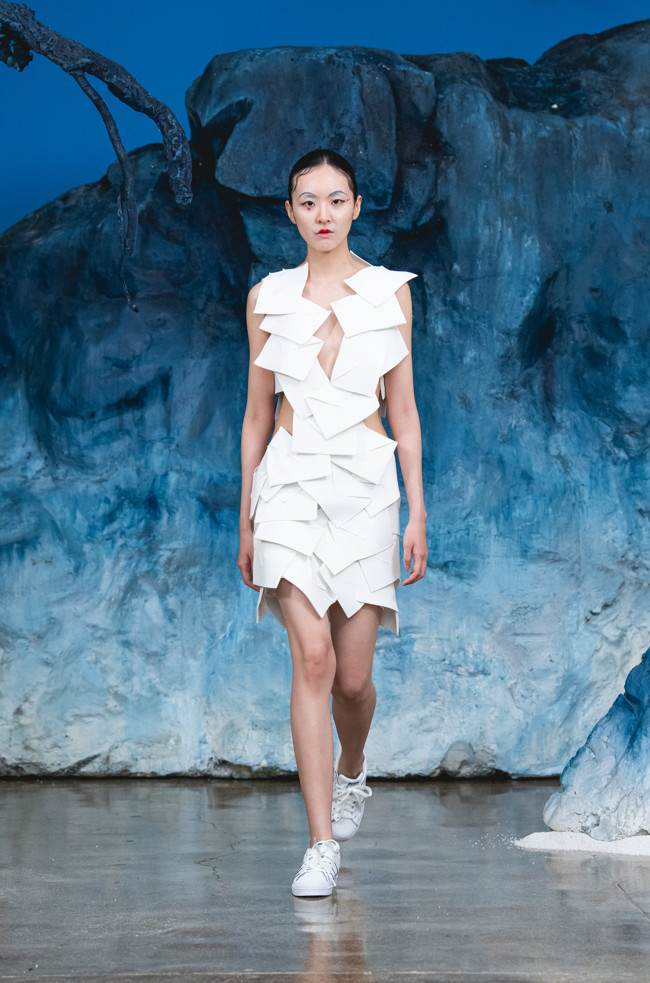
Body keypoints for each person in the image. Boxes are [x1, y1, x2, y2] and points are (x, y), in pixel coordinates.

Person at [237, 149, 427, 897]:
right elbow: (256, 415)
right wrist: (246, 517)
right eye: (308, 201)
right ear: (290, 212)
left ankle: (353, 767)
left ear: (356, 207)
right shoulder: (268, 297)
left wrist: (417, 509)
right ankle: (320, 844)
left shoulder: (389, 293)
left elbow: (403, 410)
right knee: (311, 659)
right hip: (287, 487)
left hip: (368, 491)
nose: (323, 213)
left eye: (336, 199)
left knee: (352, 680)